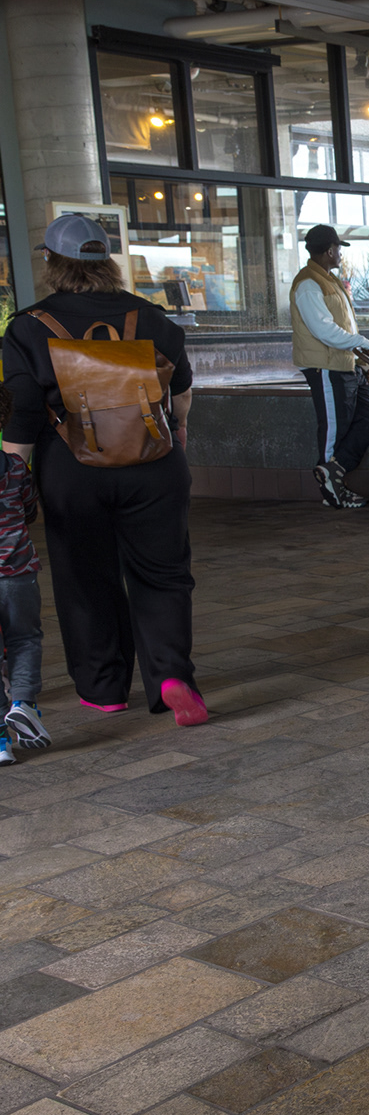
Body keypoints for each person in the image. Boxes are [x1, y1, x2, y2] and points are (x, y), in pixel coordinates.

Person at [2, 213, 205, 727]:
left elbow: (23, 412)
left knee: (85, 576)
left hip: (72, 469)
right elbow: (179, 393)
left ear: (51, 262)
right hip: (155, 464)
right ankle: (171, 677)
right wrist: (177, 436)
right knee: (163, 574)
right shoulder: (152, 318)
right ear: (108, 261)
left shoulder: (28, 327)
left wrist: (13, 476)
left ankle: (104, 687)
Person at [292, 224, 369, 510]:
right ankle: (334, 490)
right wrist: (366, 344)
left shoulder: (327, 279)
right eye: (339, 248)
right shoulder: (308, 283)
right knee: (334, 429)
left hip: (345, 364)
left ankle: (334, 471)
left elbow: (342, 327)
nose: (341, 253)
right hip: (325, 367)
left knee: (367, 418)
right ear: (330, 250)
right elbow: (324, 330)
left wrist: (363, 363)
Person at [0, 420, 45, 764]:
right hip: (18, 573)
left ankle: (1, 744)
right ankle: (23, 704)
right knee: (24, 639)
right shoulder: (15, 466)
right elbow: (30, 510)